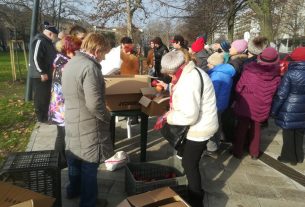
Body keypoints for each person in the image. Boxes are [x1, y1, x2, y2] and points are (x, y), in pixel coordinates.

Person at [159, 50, 218, 207]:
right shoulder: (189, 72)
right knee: (189, 159)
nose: (171, 77)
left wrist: (168, 117)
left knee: (189, 164)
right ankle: (195, 191)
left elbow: (190, 115)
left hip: (200, 127)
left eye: (170, 74)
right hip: (201, 123)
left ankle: (196, 199)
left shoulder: (189, 80)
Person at [62, 33, 114, 207]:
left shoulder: (72, 62)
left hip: (72, 118)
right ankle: (89, 203)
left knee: (75, 159)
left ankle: (73, 191)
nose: (105, 57)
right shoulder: (89, 67)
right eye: (104, 53)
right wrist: (107, 117)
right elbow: (94, 103)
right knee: (89, 165)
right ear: (97, 50)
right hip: (88, 124)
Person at [232, 47, 281, 159]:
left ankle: (237, 151)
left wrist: (237, 99)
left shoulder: (249, 70)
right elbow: (275, 92)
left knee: (241, 127)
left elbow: (239, 87)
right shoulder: (276, 76)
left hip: (246, 104)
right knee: (257, 128)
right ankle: (254, 153)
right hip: (262, 104)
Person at [48, 35, 82, 169]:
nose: (79, 52)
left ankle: (59, 160)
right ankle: (60, 161)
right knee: (62, 135)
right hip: (62, 106)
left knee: (61, 134)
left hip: (57, 105)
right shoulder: (66, 64)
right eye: (77, 49)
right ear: (69, 49)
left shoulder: (59, 60)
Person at [271, 47, 305, 165]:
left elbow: (281, 94)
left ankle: (288, 157)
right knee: (300, 133)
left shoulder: (290, 74)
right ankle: (299, 156)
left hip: (290, 108)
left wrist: (274, 111)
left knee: (288, 134)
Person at [206, 52, 236, 153]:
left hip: (215, 105)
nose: (207, 65)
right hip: (222, 103)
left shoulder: (217, 75)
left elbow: (212, 93)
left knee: (212, 126)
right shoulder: (225, 73)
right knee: (218, 123)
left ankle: (211, 147)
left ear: (214, 64)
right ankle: (217, 143)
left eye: (209, 63)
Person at [30, 21, 58, 123]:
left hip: (47, 74)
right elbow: (36, 58)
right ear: (50, 34)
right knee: (41, 97)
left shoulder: (48, 41)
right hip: (40, 76)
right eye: (55, 35)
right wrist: (41, 72)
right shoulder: (39, 40)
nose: (56, 38)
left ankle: (46, 116)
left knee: (46, 96)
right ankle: (41, 118)